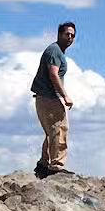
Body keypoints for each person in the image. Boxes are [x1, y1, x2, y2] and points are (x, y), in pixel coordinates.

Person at [31, 21, 76, 177]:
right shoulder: (54, 51)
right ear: (59, 34)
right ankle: (55, 166)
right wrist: (65, 96)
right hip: (49, 97)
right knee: (59, 130)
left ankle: (44, 165)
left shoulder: (57, 51)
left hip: (46, 97)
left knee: (52, 132)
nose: (70, 37)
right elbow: (53, 74)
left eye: (72, 35)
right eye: (67, 34)